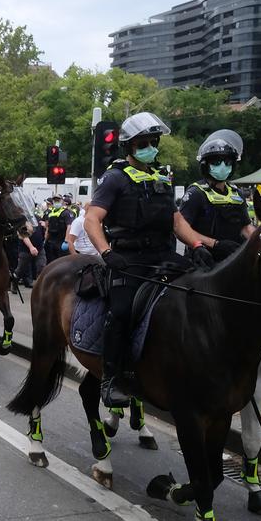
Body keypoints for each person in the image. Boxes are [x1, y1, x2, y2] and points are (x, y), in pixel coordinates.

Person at [85, 111, 212, 408]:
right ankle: (111, 378)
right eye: (144, 142)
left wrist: (197, 244)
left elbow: (176, 221)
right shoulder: (114, 178)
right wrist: (107, 253)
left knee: (200, 293)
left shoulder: (162, 180)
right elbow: (92, 219)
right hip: (128, 259)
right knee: (122, 311)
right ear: (129, 146)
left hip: (164, 256)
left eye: (154, 141)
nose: (151, 147)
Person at [180, 130, 252, 264]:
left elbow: (246, 228)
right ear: (204, 165)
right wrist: (214, 244)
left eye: (228, 162)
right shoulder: (196, 193)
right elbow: (182, 229)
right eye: (216, 162)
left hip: (233, 259)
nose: (223, 167)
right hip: (203, 260)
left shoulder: (237, 194)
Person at [44, 195, 75, 264]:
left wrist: (66, 241)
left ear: (62, 201)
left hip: (61, 241)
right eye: (55, 201)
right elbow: (48, 228)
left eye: (58, 200)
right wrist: (45, 240)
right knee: (51, 263)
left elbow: (69, 227)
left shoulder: (66, 213)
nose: (56, 202)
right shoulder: (51, 213)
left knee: (62, 263)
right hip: (51, 241)